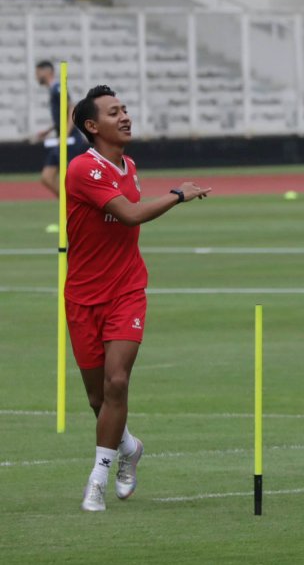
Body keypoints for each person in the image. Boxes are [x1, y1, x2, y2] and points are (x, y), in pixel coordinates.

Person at [67, 85, 211, 511]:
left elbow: (128, 222)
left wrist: (168, 196)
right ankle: (128, 447)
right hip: (81, 296)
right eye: (114, 112)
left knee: (117, 382)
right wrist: (177, 194)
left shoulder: (129, 165)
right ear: (93, 127)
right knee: (98, 399)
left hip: (126, 291)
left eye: (125, 109)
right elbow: (129, 214)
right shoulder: (82, 169)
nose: (125, 116)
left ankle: (98, 477)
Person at [32, 61, 87, 197]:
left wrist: (65, 135)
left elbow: (72, 109)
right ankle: (69, 204)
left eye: (38, 73)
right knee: (47, 177)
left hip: (71, 141)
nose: (36, 76)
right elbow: (62, 116)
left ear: (47, 72)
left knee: (75, 179)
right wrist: (49, 130)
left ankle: (79, 205)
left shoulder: (58, 88)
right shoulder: (53, 90)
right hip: (63, 139)